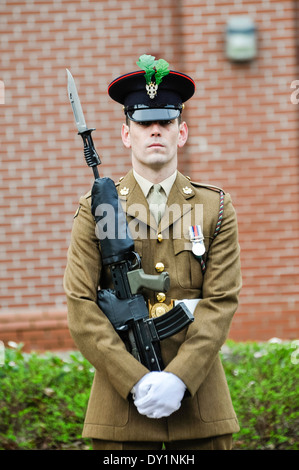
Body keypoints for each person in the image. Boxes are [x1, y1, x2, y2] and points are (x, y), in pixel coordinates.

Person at [64, 55, 242, 451]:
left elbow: (222, 299)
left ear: (182, 133)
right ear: (127, 134)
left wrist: (179, 377)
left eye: (166, 122)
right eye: (144, 123)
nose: (155, 131)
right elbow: (80, 303)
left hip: (200, 411)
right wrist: (135, 378)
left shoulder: (215, 207)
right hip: (122, 416)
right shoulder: (98, 209)